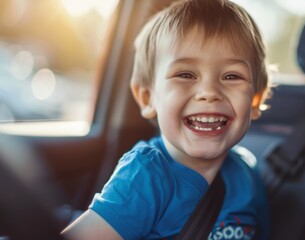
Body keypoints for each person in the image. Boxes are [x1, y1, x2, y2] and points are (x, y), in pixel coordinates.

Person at [62, 0, 271, 239]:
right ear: (148, 97)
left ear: (255, 99)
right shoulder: (145, 175)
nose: (209, 91)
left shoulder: (247, 174)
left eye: (232, 76)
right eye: (185, 74)